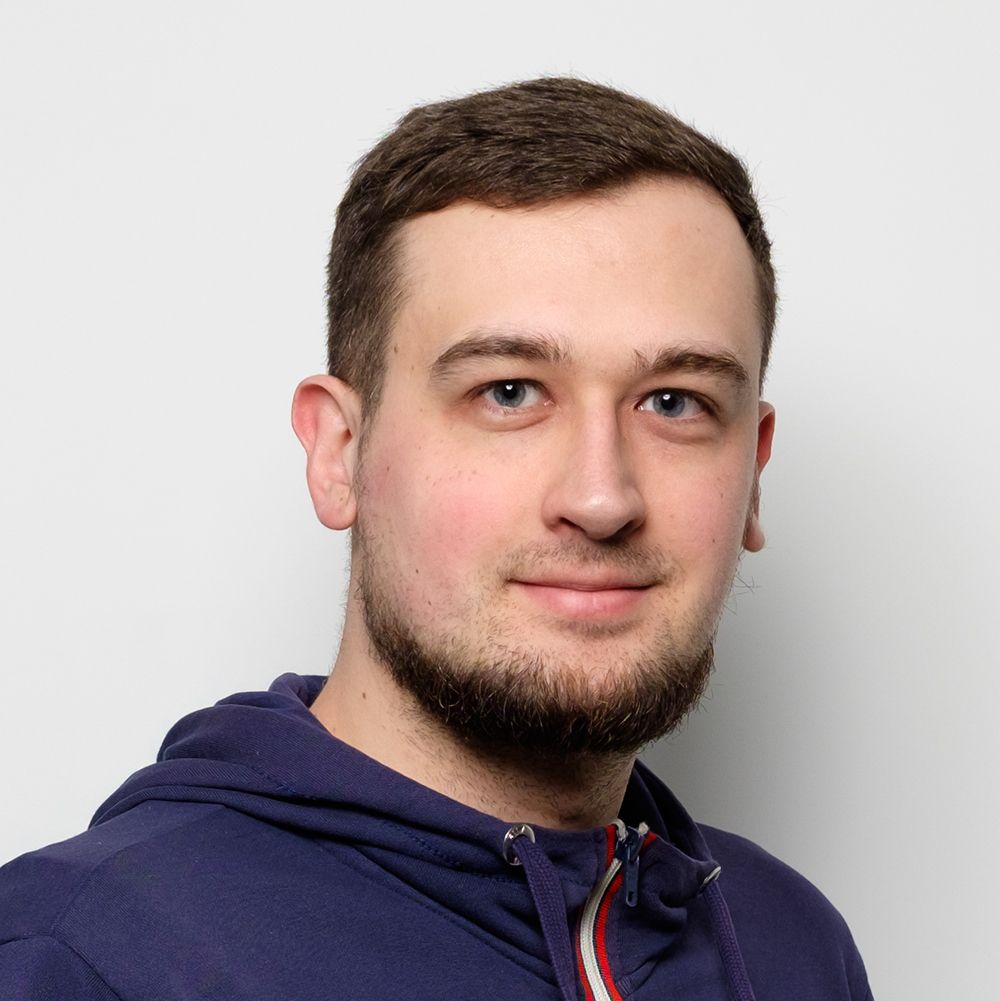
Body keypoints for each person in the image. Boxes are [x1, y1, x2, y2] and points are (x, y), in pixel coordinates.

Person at [0, 77, 872, 1000]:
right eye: (508, 391)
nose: (602, 497)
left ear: (753, 472)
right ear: (340, 452)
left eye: (674, 402)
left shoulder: (791, 947)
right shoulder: (83, 957)